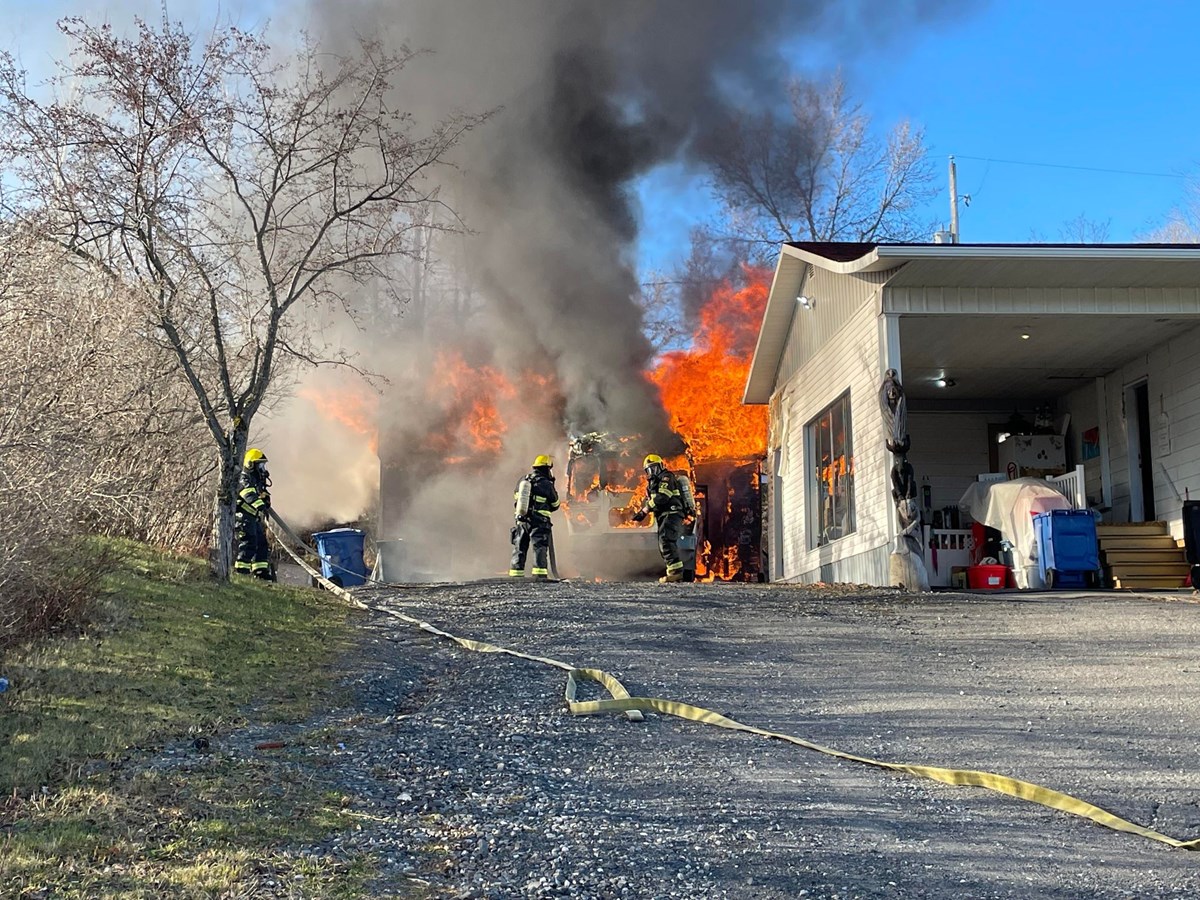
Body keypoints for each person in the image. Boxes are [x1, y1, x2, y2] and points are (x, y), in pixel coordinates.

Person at [633, 454, 686, 583]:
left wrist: (645, 510)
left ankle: (676, 573)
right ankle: (673, 573)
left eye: (654, 468)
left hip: (672, 512)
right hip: (664, 515)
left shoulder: (666, 477)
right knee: (664, 542)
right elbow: (654, 500)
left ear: (661, 466)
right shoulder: (653, 484)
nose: (652, 472)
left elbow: (663, 497)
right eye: (649, 470)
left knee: (666, 540)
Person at [510, 454, 560, 579]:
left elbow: (516, 499)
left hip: (522, 520)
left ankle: (516, 574)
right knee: (539, 547)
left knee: (519, 546)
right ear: (547, 469)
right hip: (539, 522)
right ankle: (539, 575)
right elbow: (555, 504)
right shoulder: (546, 484)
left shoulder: (523, 480)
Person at [235, 447, 275, 580]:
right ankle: (241, 571)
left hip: (253, 517)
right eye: (260, 465)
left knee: (262, 543)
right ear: (251, 464)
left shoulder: (256, 480)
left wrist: (266, 499)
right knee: (249, 542)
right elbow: (248, 495)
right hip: (243, 517)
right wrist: (260, 505)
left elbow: (261, 493)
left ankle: (260, 572)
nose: (263, 469)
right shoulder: (244, 478)